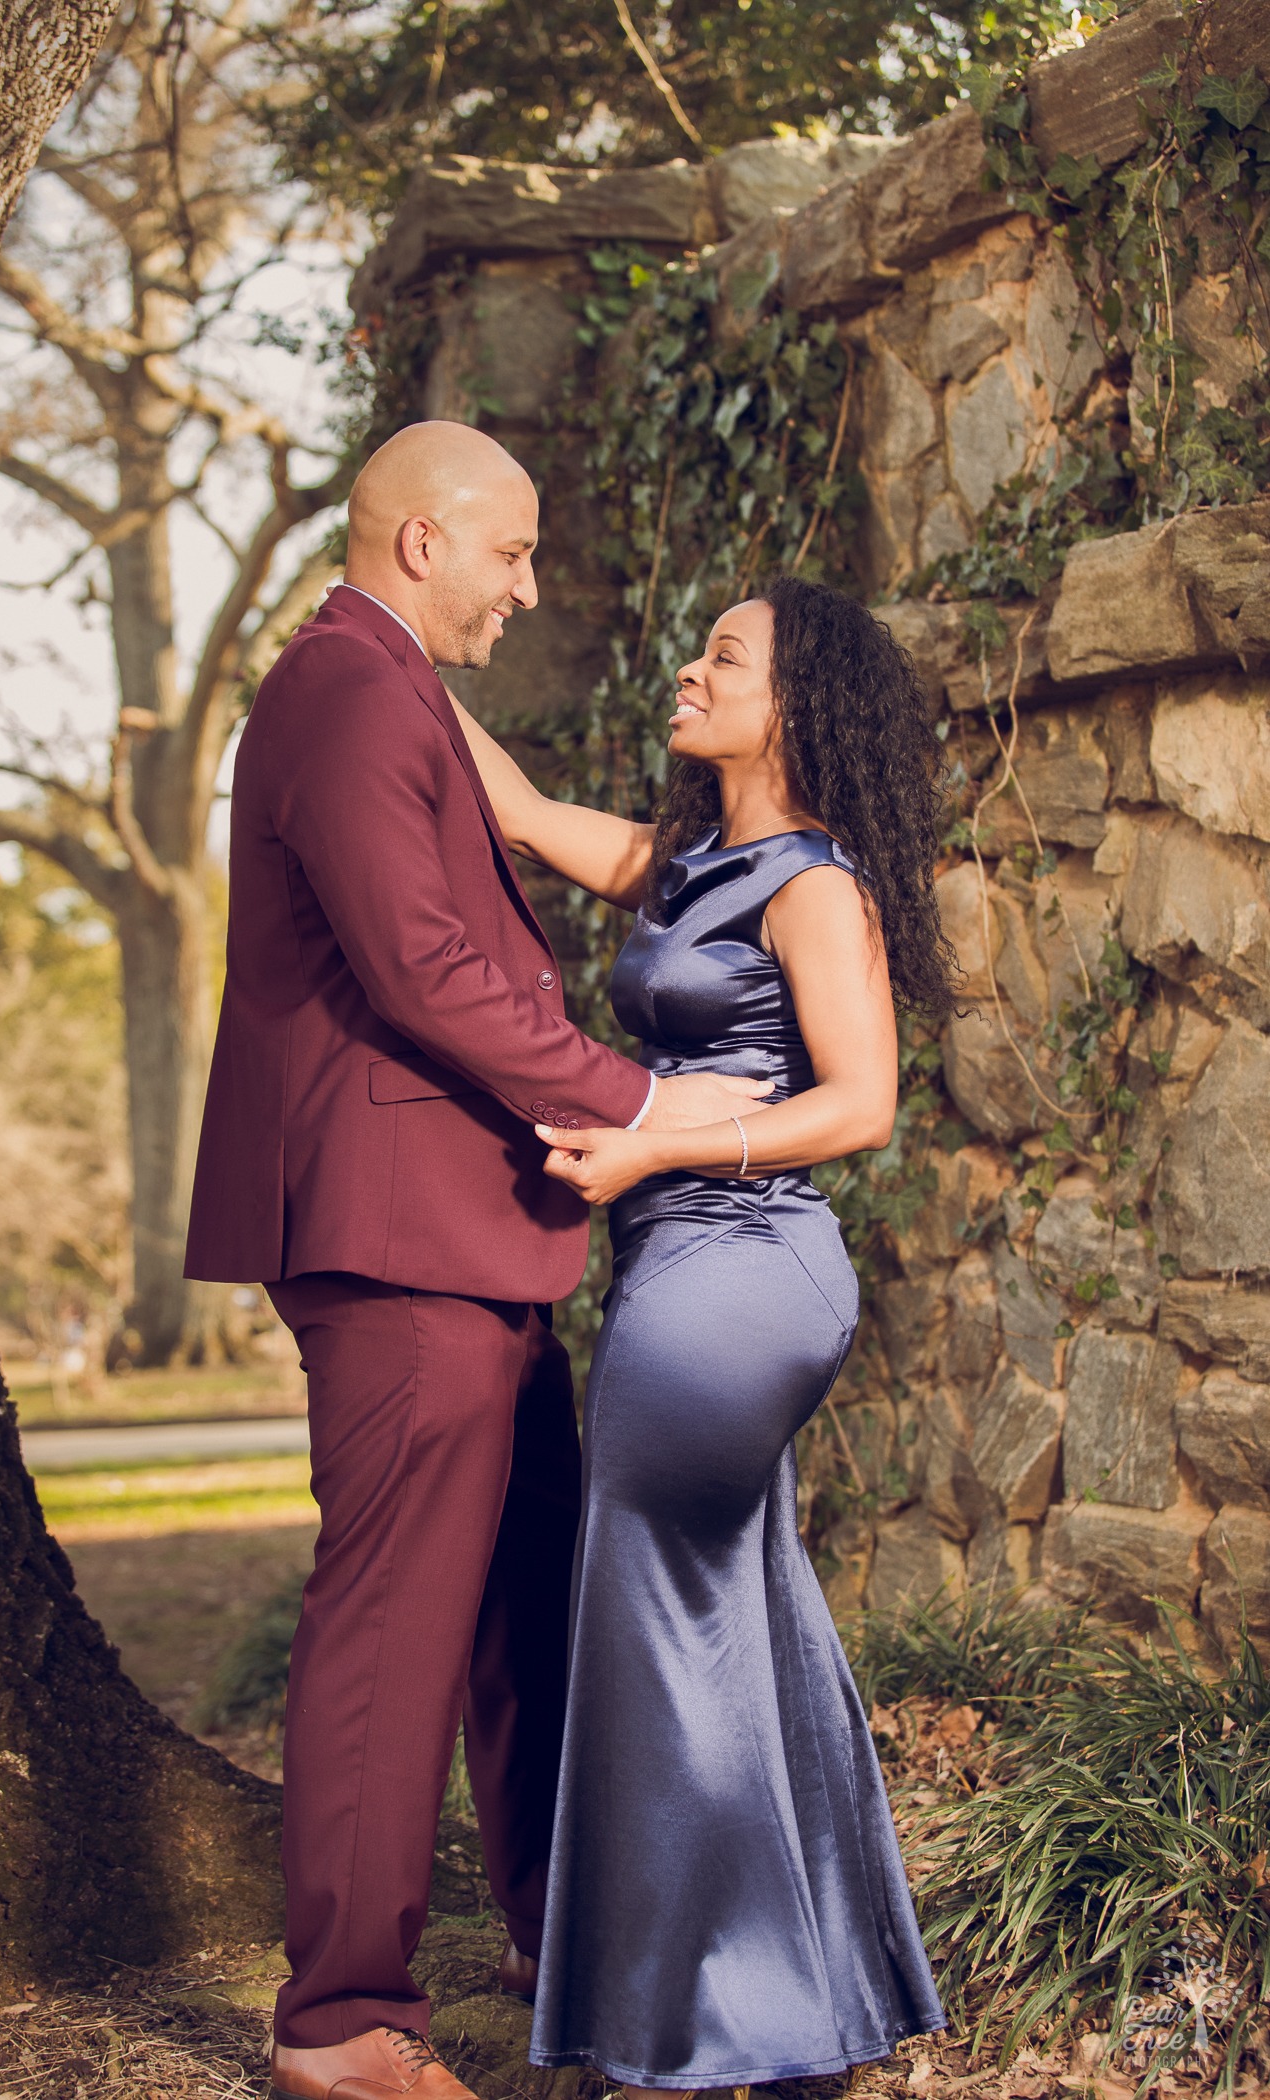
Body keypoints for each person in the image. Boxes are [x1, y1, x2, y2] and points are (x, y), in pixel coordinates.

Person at [183, 420, 770, 2100]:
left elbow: (482, 904)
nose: (528, 588)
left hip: (476, 1235)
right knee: (396, 1623)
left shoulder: (385, 686)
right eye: (509, 553)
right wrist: (648, 1099)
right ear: (421, 539)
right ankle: (344, 2021)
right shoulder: (349, 690)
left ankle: (550, 1931)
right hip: (401, 1239)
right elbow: (431, 970)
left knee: (518, 1611)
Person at [449, 575, 956, 2096]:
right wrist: (379, 647)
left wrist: (657, 1146)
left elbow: (860, 1106)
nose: (689, 668)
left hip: (743, 1275)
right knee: (730, 1614)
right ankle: (795, 2008)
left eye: (723, 656)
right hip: (678, 1265)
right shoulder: (689, 864)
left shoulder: (811, 884)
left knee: (654, 1611)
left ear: (791, 706)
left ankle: (691, 2023)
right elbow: (528, 809)